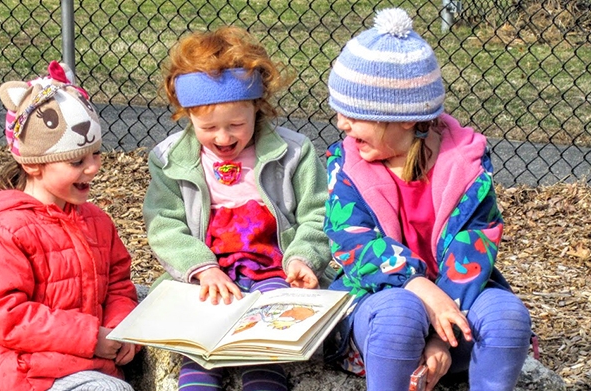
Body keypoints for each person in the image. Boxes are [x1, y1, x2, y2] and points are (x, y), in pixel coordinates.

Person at [322, 8, 532, 391]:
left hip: (458, 302)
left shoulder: (465, 167)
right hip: (379, 306)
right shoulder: (347, 165)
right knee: (400, 316)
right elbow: (352, 243)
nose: (341, 125)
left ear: (404, 117)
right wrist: (420, 287)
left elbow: (474, 247)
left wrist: (441, 332)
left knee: (507, 317)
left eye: (353, 114)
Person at [143, 26, 331, 391]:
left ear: (257, 108)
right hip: (209, 272)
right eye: (208, 126)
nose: (224, 137)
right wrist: (199, 268)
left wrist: (302, 258)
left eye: (236, 125)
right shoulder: (171, 160)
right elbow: (164, 224)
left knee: (265, 347)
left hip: (273, 270)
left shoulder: (293, 153)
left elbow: (317, 213)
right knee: (198, 350)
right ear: (187, 115)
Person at [0, 61, 140, 391]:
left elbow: (119, 284)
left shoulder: (96, 221)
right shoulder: (4, 231)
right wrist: (91, 337)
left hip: (83, 362)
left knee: (151, 296)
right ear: (32, 164)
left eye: (95, 154)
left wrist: (120, 329)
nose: (93, 168)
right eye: (77, 161)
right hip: (24, 374)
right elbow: (5, 316)